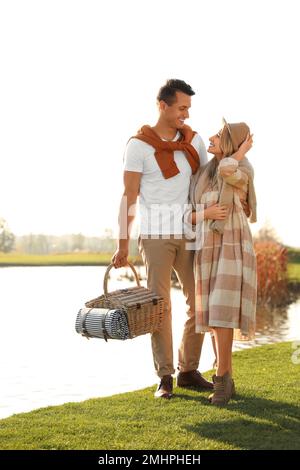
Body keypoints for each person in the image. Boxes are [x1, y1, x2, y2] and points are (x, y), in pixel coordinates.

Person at [112, 79, 214, 399]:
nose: (186, 114)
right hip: (155, 234)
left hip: (190, 231)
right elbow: (129, 196)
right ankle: (165, 377)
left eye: (188, 108)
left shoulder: (193, 142)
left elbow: (210, 182)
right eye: (181, 107)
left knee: (200, 304)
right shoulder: (139, 145)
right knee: (160, 307)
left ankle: (188, 370)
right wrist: (122, 243)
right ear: (163, 106)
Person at [188, 119, 257, 405]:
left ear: (232, 143)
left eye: (219, 135)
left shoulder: (241, 168)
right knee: (215, 317)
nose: (211, 137)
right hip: (207, 247)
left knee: (221, 310)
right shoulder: (204, 174)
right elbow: (189, 214)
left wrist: (239, 153)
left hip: (232, 244)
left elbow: (229, 170)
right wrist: (206, 213)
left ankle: (221, 376)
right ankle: (226, 379)